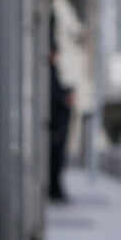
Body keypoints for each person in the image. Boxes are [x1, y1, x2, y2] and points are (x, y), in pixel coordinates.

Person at [49, 48, 74, 203]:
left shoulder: (52, 71)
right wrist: (65, 97)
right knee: (55, 161)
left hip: (57, 126)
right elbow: (54, 96)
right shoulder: (49, 72)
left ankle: (56, 190)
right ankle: (55, 191)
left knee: (57, 162)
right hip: (55, 127)